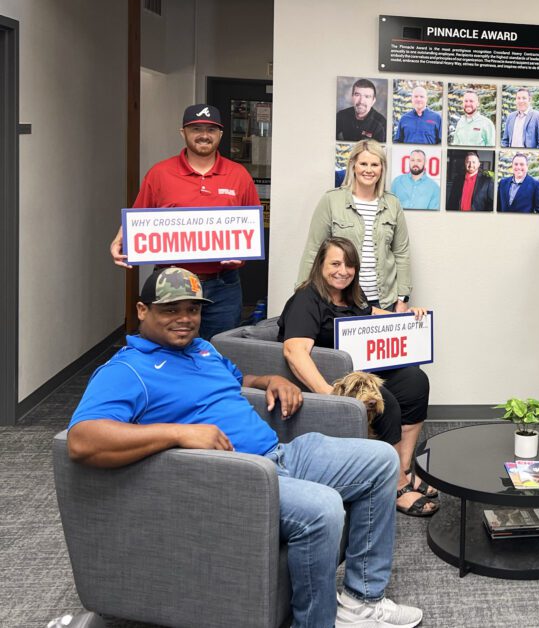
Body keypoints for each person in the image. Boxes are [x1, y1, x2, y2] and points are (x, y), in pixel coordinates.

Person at [66, 267, 423, 628]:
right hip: (239, 480)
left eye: (193, 309)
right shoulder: (128, 370)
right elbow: (83, 439)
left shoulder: (202, 348)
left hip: (280, 453)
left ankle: (360, 601)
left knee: (381, 460)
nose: (185, 319)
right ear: (143, 311)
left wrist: (271, 380)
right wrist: (178, 434)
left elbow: (239, 382)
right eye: (171, 310)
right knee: (324, 507)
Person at [280, 238, 437, 518]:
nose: (343, 271)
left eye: (349, 265)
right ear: (320, 265)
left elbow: (371, 316)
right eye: (335, 264)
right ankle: (397, 487)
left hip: (359, 373)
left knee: (415, 382)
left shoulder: (351, 296)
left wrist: (407, 318)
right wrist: (329, 394)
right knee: (382, 397)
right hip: (332, 381)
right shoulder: (307, 299)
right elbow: (294, 351)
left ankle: (402, 466)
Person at [109, 104, 260, 340]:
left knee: (220, 351)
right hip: (172, 283)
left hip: (223, 285)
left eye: (211, 129)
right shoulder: (160, 173)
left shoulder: (238, 175)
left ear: (220, 134)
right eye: (196, 128)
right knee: (168, 352)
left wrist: (243, 253)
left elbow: (252, 228)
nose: (204, 135)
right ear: (183, 133)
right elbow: (139, 217)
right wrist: (121, 238)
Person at [298, 140, 411, 312]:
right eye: (363, 163)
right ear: (353, 166)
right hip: (341, 299)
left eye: (374, 164)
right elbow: (314, 249)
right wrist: (302, 294)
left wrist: (403, 298)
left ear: (382, 169)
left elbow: (401, 253)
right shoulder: (331, 200)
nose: (368, 170)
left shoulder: (393, 204)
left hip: (384, 300)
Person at [336, 78, 387, 142]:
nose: (361, 101)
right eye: (357, 95)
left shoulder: (381, 124)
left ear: (373, 101)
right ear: (352, 97)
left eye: (367, 96)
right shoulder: (341, 116)